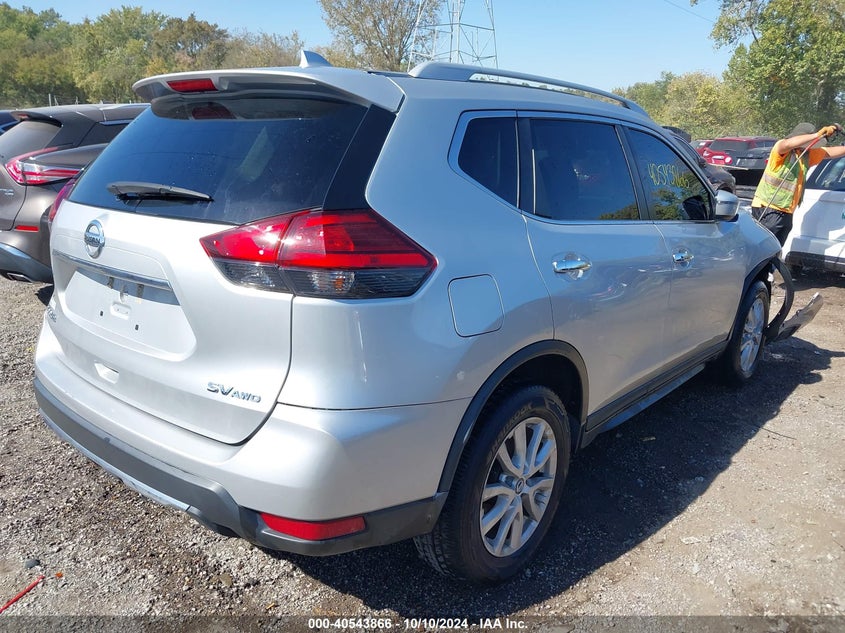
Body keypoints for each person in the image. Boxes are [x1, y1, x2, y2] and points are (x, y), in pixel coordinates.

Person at [751, 122, 845, 245]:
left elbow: (828, 152)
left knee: (774, 250)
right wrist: (817, 135)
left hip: (786, 211)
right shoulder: (781, 150)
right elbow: (788, 143)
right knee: (764, 250)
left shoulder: (806, 155)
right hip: (768, 208)